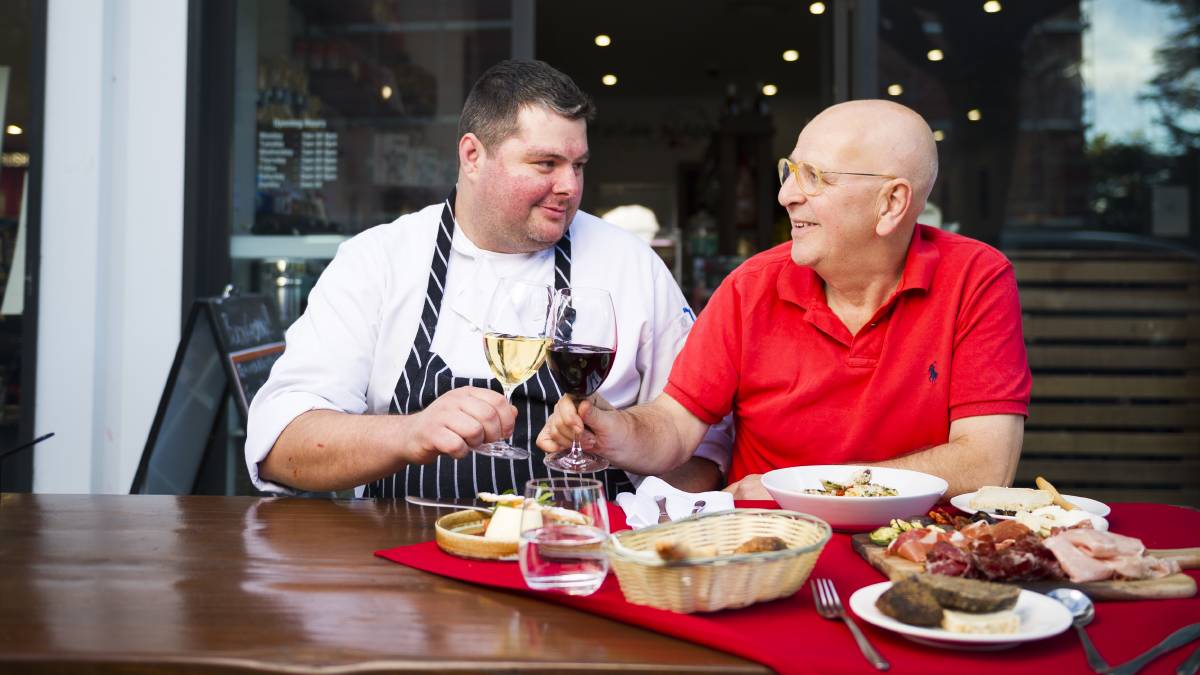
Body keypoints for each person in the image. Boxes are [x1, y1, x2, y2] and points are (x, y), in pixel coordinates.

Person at [245, 59, 726, 499]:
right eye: (546, 163)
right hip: (400, 571)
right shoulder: (379, 261)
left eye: (578, 165)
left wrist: (631, 453)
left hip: (573, 568)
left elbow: (707, 449)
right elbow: (280, 445)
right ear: (472, 156)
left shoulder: (631, 265)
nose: (570, 187)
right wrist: (410, 432)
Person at [537, 99, 1032, 499]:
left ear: (892, 203)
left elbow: (986, 463)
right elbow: (674, 425)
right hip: (768, 551)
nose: (786, 195)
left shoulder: (975, 277)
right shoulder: (751, 285)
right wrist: (613, 429)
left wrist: (804, 489)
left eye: (814, 177)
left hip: (913, 552)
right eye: (789, 172)